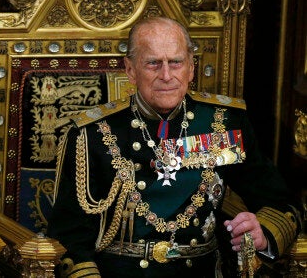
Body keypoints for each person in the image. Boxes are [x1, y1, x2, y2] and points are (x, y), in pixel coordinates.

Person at [47, 16, 300, 277]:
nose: (166, 75)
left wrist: (263, 233)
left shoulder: (223, 122)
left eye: (175, 62)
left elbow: (282, 202)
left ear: (191, 68)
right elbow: (69, 234)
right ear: (130, 69)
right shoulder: (92, 133)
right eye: (153, 63)